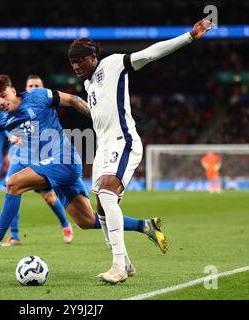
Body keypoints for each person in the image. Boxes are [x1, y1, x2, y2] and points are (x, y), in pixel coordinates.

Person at [0, 74, 164, 283]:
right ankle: (146, 226)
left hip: (64, 159)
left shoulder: (39, 97)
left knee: (13, 182)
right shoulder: (2, 119)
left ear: (14, 90)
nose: (1, 102)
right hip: (55, 169)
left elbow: (73, 99)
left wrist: (99, 121)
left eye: (3, 96)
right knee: (87, 221)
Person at [67, 18, 213, 282]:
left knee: (108, 196)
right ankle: (128, 263)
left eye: (80, 60)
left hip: (123, 142)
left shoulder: (112, 64)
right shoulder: (89, 86)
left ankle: (118, 267)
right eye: (72, 63)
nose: (76, 66)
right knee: (101, 210)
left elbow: (149, 53)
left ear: (93, 56)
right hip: (103, 148)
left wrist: (189, 36)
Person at [4, 74, 73, 246]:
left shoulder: (43, 107)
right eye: (31, 86)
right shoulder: (14, 107)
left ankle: (65, 224)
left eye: (37, 86)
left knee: (49, 198)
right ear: (25, 89)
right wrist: (11, 136)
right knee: (11, 188)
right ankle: (14, 236)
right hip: (20, 157)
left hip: (40, 158)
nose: (34, 89)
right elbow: (5, 124)